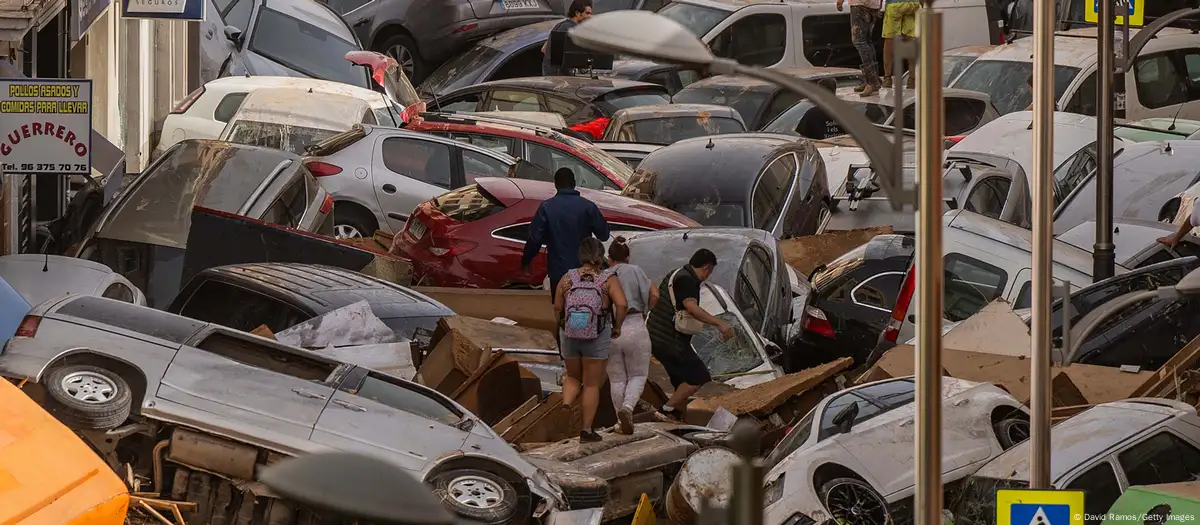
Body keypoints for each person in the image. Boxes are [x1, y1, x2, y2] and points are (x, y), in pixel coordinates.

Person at [645, 249, 733, 422]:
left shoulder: (676, 274)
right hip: (670, 341)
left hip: (657, 338)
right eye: (710, 272)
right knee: (698, 376)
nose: (708, 276)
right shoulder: (686, 280)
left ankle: (678, 416)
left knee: (681, 382)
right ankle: (666, 410)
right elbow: (691, 307)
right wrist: (719, 323)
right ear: (706, 268)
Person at [555, 238, 627, 442]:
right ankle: (586, 430)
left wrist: (562, 326)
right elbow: (622, 305)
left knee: (572, 376)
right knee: (592, 384)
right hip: (596, 335)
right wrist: (617, 327)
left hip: (569, 334)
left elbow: (557, 308)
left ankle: (566, 403)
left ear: (581, 255)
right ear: (601, 255)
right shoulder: (607, 279)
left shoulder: (568, 278)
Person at [522, 167, 611, 302]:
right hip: (585, 271)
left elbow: (535, 239)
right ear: (574, 183)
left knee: (560, 309)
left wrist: (526, 259)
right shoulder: (588, 207)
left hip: (558, 272)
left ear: (556, 184)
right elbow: (604, 235)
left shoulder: (546, 208)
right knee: (584, 308)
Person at [605, 236, 658, 434]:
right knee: (638, 375)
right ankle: (627, 408)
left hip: (611, 329)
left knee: (617, 379)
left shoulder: (606, 274)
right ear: (628, 258)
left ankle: (620, 422)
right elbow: (655, 295)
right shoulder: (636, 270)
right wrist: (647, 310)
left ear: (609, 258)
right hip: (635, 324)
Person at [837, 0, 883, 96]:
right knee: (867, 41)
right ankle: (873, 79)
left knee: (859, 41)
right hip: (872, 5)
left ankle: (872, 81)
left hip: (860, 4)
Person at [541, 0, 594, 76]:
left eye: (591, 14)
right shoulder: (572, 30)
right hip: (559, 79)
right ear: (577, 13)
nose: (590, 17)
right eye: (587, 13)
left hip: (550, 76)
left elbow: (543, 49)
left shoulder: (560, 25)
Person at [881, 0, 919, 89]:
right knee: (911, 40)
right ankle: (912, 79)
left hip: (894, 4)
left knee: (890, 41)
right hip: (912, 4)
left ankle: (887, 78)